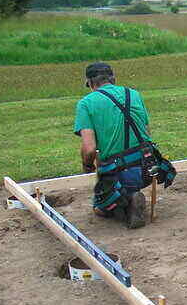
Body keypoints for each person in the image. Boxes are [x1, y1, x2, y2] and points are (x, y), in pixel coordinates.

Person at [74, 62, 175, 228]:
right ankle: (128, 197)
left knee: (99, 208)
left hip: (119, 174)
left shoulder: (86, 103)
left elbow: (89, 148)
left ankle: (127, 202)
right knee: (115, 184)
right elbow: (147, 133)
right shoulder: (133, 94)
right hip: (148, 169)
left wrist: (87, 165)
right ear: (113, 79)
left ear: (91, 83)